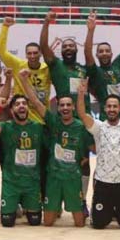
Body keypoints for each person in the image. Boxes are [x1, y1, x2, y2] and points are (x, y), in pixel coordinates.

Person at [18, 69, 92, 227]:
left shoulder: (80, 126)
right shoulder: (53, 122)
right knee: (48, 222)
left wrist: (81, 94)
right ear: (57, 108)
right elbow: (36, 102)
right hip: (54, 177)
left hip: (72, 178)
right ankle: (55, 207)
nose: (65, 107)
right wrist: (24, 81)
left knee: (79, 224)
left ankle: (79, 208)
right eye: (62, 105)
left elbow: (86, 153)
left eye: (68, 105)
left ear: (73, 108)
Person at [40, 11, 92, 214]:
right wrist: (46, 22)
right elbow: (44, 47)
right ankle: (56, 199)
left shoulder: (83, 69)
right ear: (61, 51)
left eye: (71, 46)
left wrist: (90, 31)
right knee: (59, 158)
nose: (68, 49)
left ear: (75, 49)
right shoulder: (56, 65)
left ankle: (82, 200)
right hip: (62, 120)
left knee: (84, 160)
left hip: (82, 122)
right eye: (65, 47)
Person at [77, 77, 120, 229]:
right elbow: (82, 114)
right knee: (99, 225)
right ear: (104, 109)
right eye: (109, 107)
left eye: (115, 106)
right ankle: (109, 211)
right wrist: (81, 93)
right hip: (103, 184)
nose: (112, 109)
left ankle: (119, 211)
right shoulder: (98, 128)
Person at [0, 95, 45, 227]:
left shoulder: (38, 127)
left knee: (35, 222)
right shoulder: (6, 126)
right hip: (11, 183)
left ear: (28, 109)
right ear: (12, 110)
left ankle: (25, 204)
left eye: (24, 103)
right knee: (7, 222)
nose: (21, 106)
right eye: (17, 104)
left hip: (32, 183)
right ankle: (15, 204)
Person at [84, 0, 120, 121]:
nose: (104, 53)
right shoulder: (95, 71)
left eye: (107, 51)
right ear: (97, 55)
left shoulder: (118, 64)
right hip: (106, 119)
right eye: (101, 51)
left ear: (112, 54)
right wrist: (91, 30)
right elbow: (87, 52)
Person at [0, 17, 51, 123]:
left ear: (40, 53)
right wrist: (5, 27)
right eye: (29, 53)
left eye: (35, 53)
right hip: (22, 118)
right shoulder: (18, 65)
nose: (32, 56)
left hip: (43, 118)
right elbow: (1, 51)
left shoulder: (47, 68)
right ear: (25, 54)